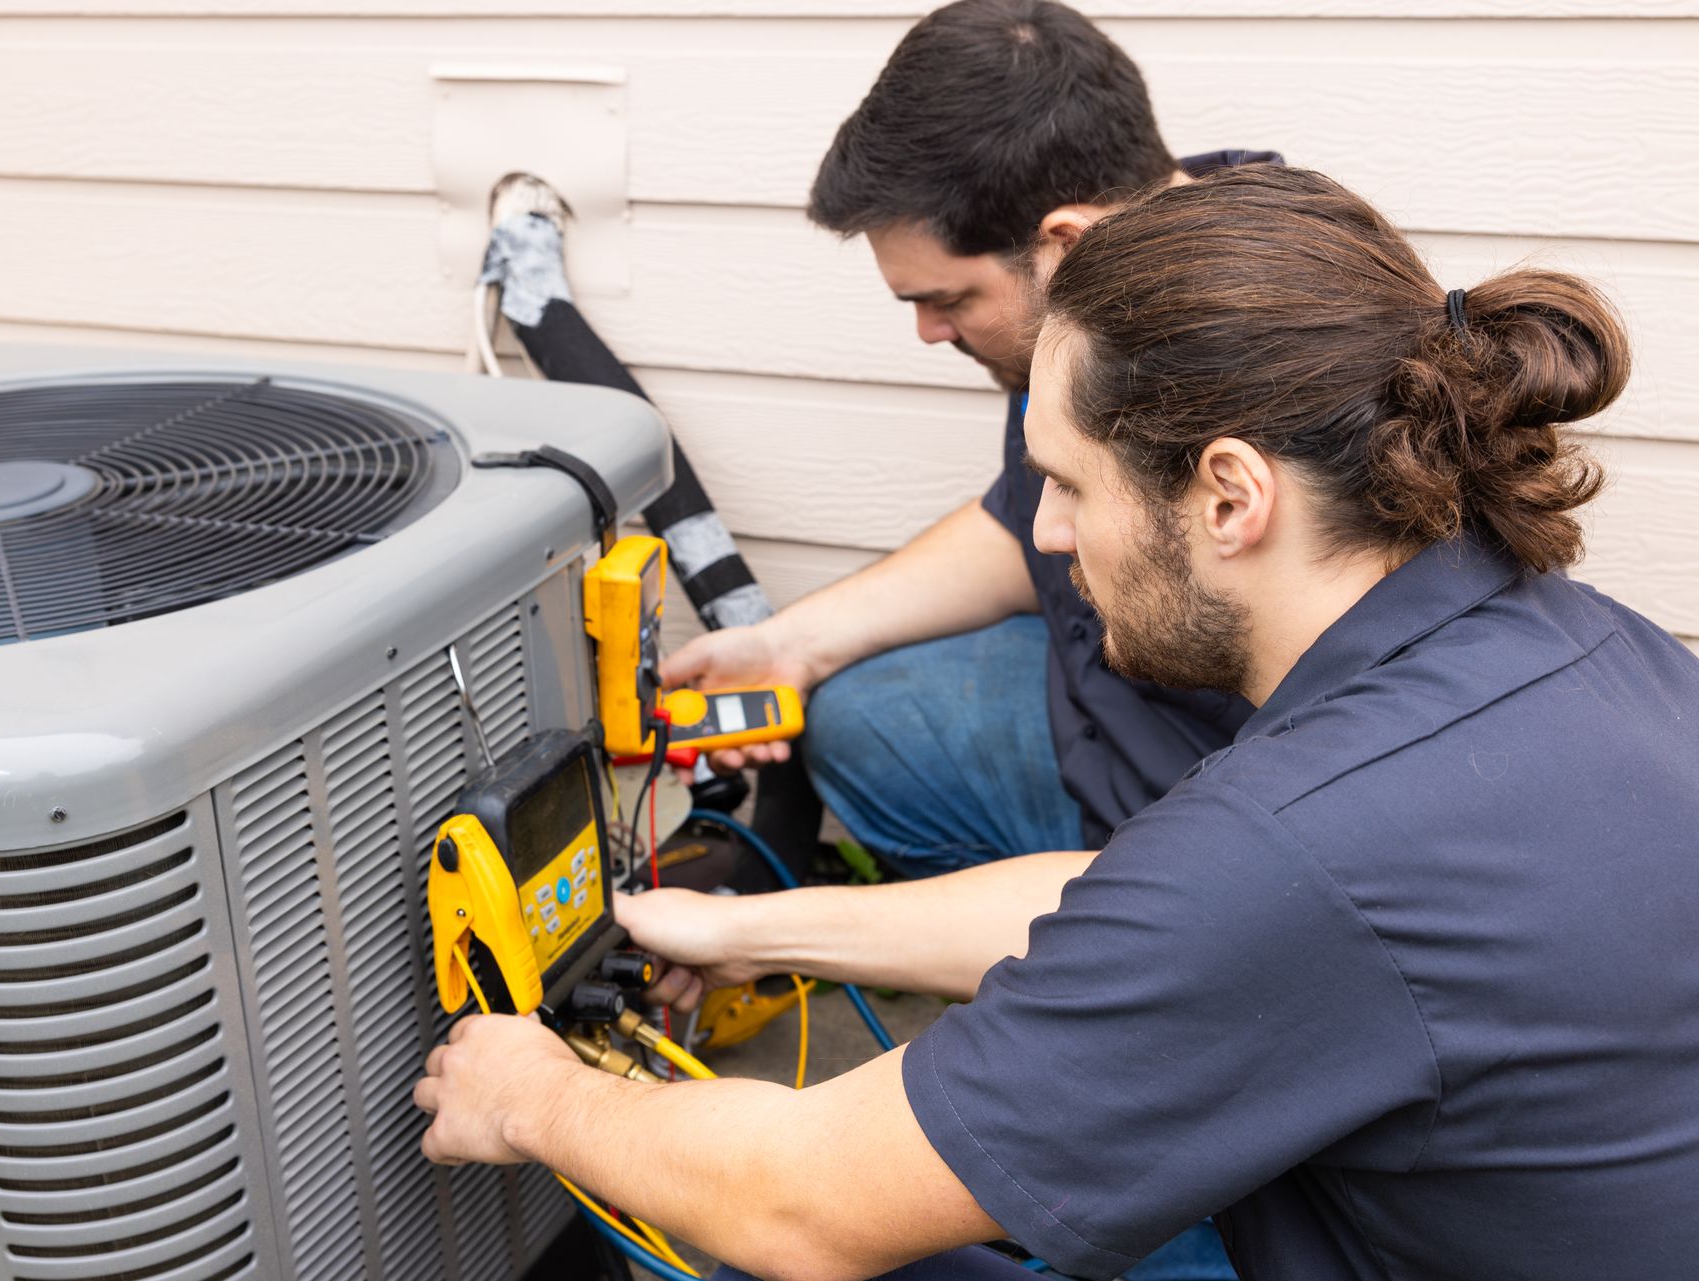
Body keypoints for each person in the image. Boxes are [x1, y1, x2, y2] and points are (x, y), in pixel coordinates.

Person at [414, 165, 1699, 1280]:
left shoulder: (1299, 847)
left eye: (1070, 483)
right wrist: (750, 928)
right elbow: (1146, 906)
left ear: (1230, 497)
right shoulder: (1580, 649)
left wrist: (533, 1098)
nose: (1045, 532)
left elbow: (801, 1202)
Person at [662, 0, 1277, 869]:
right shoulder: (1116, 275)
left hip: (1215, 814)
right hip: (1113, 704)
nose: (929, 332)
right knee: (859, 711)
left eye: (947, 300)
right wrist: (790, 644)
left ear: (1062, 244)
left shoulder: (1268, 367)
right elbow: (1020, 522)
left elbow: (1312, 795)